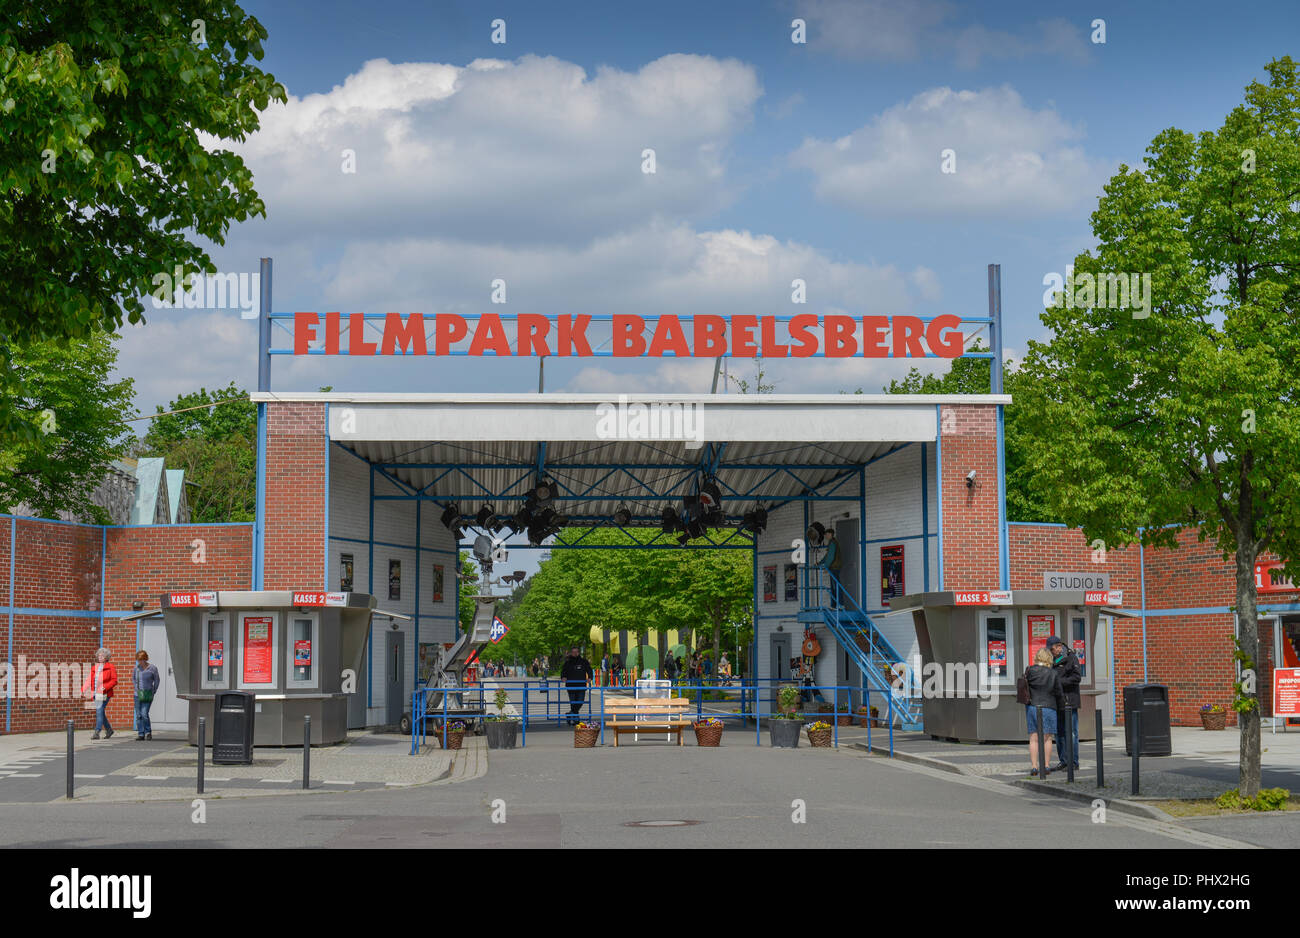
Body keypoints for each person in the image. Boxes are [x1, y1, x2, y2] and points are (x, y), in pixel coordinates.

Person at [1024, 647, 1066, 778]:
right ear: (1049, 658)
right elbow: (1059, 692)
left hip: (1033, 707)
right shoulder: (1053, 673)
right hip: (1049, 707)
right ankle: (1046, 765)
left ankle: (1034, 766)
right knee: (1047, 738)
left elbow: (1024, 688)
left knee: (1034, 738)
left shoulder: (1030, 670)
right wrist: (1062, 707)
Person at [1047, 635, 1082, 770]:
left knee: (1072, 732)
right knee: (1059, 733)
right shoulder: (1051, 660)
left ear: (1058, 646)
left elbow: (1077, 677)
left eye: (1053, 649)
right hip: (1057, 702)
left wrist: (1058, 683)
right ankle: (1064, 761)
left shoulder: (1071, 657)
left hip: (1070, 700)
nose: (1052, 652)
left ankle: (1074, 762)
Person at [80, 647, 118, 740]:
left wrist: (105, 687)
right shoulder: (94, 667)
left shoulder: (110, 667)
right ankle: (109, 730)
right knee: (100, 711)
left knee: (99, 710)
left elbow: (114, 681)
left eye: (102, 655)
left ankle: (97, 731)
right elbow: (89, 680)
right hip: (96, 693)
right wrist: (83, 689)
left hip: (105, 693)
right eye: (99, 655)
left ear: (106, 657)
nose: (100, 657)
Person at [559, 645, 593, 724]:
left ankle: (570, 714)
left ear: (578, 652)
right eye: (573, 652)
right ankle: (576, 719)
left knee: (580, 701)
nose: (575, 653)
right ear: (571, 653)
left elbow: (589, 670)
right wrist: (563, 677)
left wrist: (590, 677)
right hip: (571, 686)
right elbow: (563, 671)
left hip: (581, 685)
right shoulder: (568, 662)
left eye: (576, 652)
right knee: (573, 702)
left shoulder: (584, 661)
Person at [131, 650, 160, 740]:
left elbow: (157, 680)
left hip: (148, 694)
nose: (140, 662)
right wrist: (137, 688)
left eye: (142, 660)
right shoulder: (136, 669)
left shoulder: (152, 668)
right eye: (139, 660)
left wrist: (153, 690)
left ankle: (148, 732)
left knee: (144, 714)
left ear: (145, 659)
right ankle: (141, 734)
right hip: (137, 694)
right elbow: (134, 679)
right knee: (138, 715)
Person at [821, 529, 843, 608]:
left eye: (826, 534)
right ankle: (835, 605)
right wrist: (820, 562)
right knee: (834, 587)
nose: (826, 536)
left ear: (830, 534)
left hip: (834, 567)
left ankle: (839, 605)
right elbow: (827, 556)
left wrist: (826, 567)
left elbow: (830, 557)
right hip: (834, 567)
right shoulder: (832, 543)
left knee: (835, 586)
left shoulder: (832, 543)